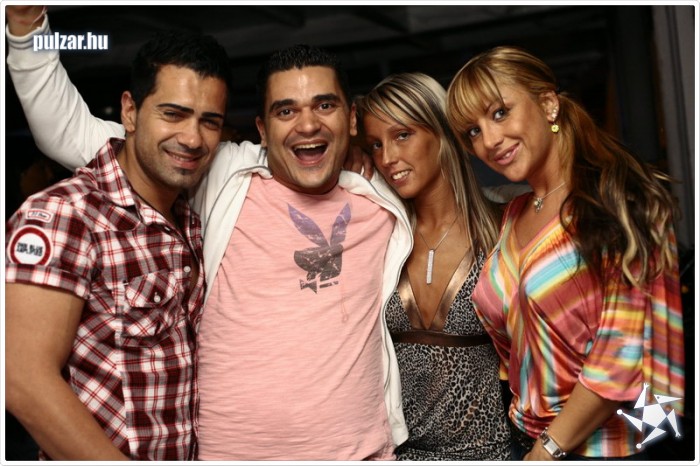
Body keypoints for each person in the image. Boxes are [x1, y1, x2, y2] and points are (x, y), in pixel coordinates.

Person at [6, 8, 411, 460]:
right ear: (262, 130)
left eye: (325, 105)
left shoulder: (379, 197)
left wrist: (363, 155)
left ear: (350, 119)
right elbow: (66, 131)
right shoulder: (220, 174)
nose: (308, 124)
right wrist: (27, 29)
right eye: (286, 110)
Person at [5, 23, 233, 460]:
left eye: (209, 121)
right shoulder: (67, 214)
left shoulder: (190, 219)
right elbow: (21, 378)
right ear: (130, 112)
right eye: (173, 114)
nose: (192, 138)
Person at [445, 45, 685, 460]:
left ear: (548, 104)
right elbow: (516, 346)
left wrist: (548, 448)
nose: (489, 140)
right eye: (473, 131)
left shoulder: (618, 200)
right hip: (529, 437)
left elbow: (620, 355)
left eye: (500, 113)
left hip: (612, 446)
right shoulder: (515, 213)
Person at [355, 72, 511, 460]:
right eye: (376, 144)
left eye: (402, 135)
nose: (387, 158)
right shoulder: (379, 238)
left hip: (493, 454)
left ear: (441, 132)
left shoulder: (504, 229)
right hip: (400, 456)